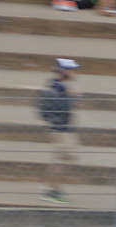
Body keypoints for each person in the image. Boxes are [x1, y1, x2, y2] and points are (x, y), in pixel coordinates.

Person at [38, 57, 78, 204]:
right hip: (60, 130)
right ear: (63, 71)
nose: (74, 72)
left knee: (62, 160)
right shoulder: (56, 88)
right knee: (62, 160)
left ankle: (50, 189)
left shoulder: (58, 86)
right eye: (71, 69)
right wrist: (69, 96)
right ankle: (53, 191)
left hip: (62, 129)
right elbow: (58, 109)